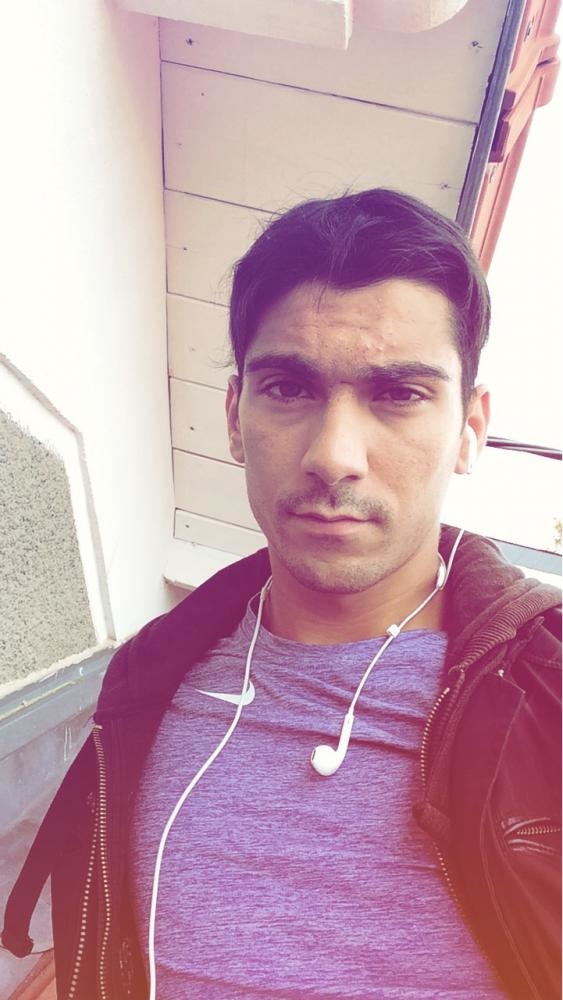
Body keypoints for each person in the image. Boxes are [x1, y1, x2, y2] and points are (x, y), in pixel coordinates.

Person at [2, 189, 561, 1000]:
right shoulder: (146, 680)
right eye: (289, 389)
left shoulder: (546, 692)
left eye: (399, 394)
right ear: (235, 416)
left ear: (470, 429)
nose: (334, 455)